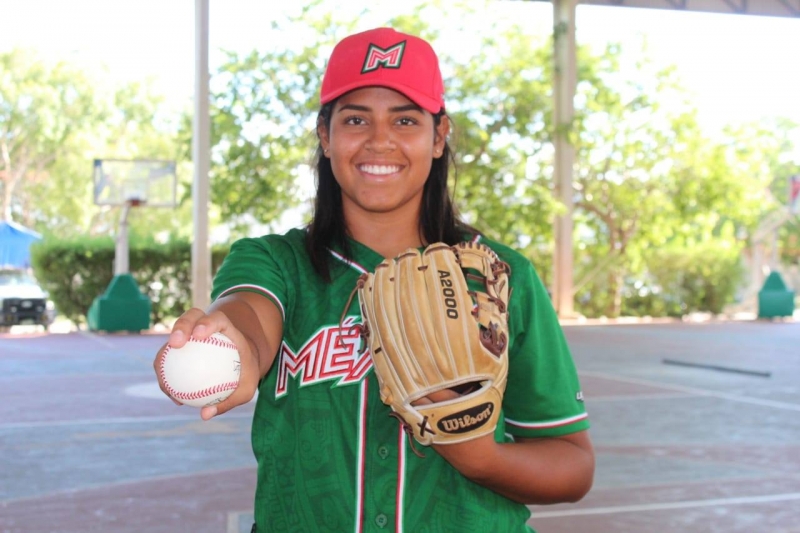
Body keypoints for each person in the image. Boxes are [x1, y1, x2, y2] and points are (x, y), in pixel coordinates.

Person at [155, 27, 595, 532]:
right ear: (326, 136)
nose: (379, 140)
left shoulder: (499, 276)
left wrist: (478, 456)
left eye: (405, 119)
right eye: (356, 119)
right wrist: (232, 345)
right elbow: (249, 312)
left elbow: (573, 466)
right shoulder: (277, 262)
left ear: (439, 136)